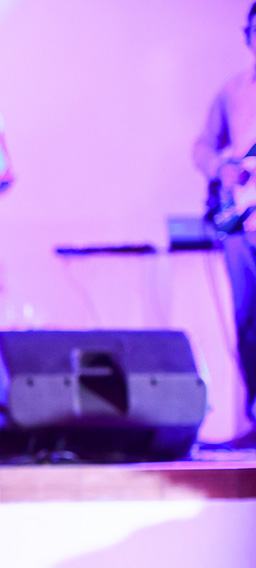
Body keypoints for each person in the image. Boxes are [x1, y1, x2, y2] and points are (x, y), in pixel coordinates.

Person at [195, 1, 256, 449]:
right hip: (243, 226)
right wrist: (222, 168)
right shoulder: (233, 92)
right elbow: (202, 146)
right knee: (248, 323)